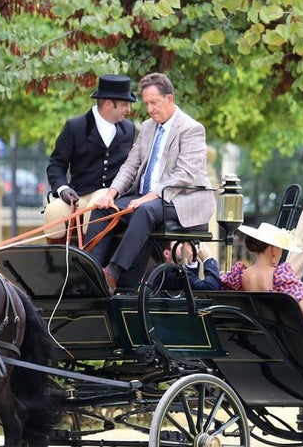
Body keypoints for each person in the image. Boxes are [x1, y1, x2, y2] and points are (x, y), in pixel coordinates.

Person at [85, 73, 216, 292]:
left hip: (182, 198)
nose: (150, 109)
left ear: (170, 99)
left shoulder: (192, 129)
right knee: (104, 209)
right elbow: (131, 165)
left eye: (154, 102)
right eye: (146, 103)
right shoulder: (147, 127)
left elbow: (182, 176)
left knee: (144, 210)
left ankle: (113, 273)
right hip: (150, 198)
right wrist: (111, 193)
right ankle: (90, 271)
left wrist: (147, 197)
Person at [43, 74, 138, 242]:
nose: (128, 110)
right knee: (53, 212)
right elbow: (56, 164)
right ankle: (56, 264)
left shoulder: (129, 130)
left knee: (94, 210)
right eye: (125, 104)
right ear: (109, 104)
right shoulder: (75, 126)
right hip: (78, 193)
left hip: (110, 193)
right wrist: (63, 189)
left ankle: (89, 263)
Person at [220, 222, 303, 322]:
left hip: (254, 328)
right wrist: (302, 289)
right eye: (281, 249)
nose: (281, 253)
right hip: (278, 330)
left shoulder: (240, 275)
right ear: (273, 249)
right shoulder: (280, 275)